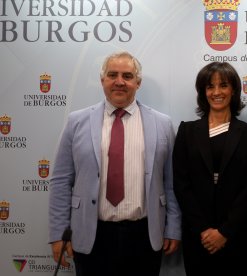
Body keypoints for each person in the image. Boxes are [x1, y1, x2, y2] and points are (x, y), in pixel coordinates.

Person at [48, 51, 181, 276]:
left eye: (127, 76)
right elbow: (61, 181)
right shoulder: (76, 122)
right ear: (102, 81)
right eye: (112, 75)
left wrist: (173, 228)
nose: (120, 82)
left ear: (138, 82)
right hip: (91, 235)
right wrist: (59, 233)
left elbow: (171, 182)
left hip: (145, 234)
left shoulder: (163, 124)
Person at [173, 61, 247, 276]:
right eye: (210, 87)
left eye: (223, 85)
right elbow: (181, 185)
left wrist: (224, 232)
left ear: (234, 90)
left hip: (235, 235)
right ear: (203, 92)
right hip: (197, 236)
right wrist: (204, 230)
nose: (217, 92)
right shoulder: (187, 131)